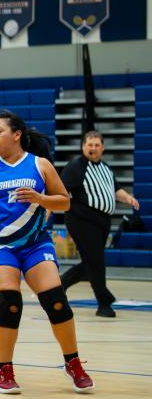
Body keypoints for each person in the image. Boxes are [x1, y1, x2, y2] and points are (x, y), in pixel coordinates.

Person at [0, 109, 94, 395]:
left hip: (35, 244)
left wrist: (40, 198)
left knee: (56, 302)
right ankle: (4, 370)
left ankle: (73, 363)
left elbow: (64, 202)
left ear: (16, 135)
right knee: (9, 304)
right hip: (0, 246)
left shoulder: (40, 165)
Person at [60, 129, 140, 319]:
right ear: (83, 147)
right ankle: (104, 302)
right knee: (96, 261)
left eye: (97, 145)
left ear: (102, 148)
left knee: (91, 261)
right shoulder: (75, 167)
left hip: (102, 222)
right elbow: (60, 191)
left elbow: (115, 190)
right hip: (82, 220)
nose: (93, 148)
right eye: (90, 145)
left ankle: (60, 284)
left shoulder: (105, 168)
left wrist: (128, 198)